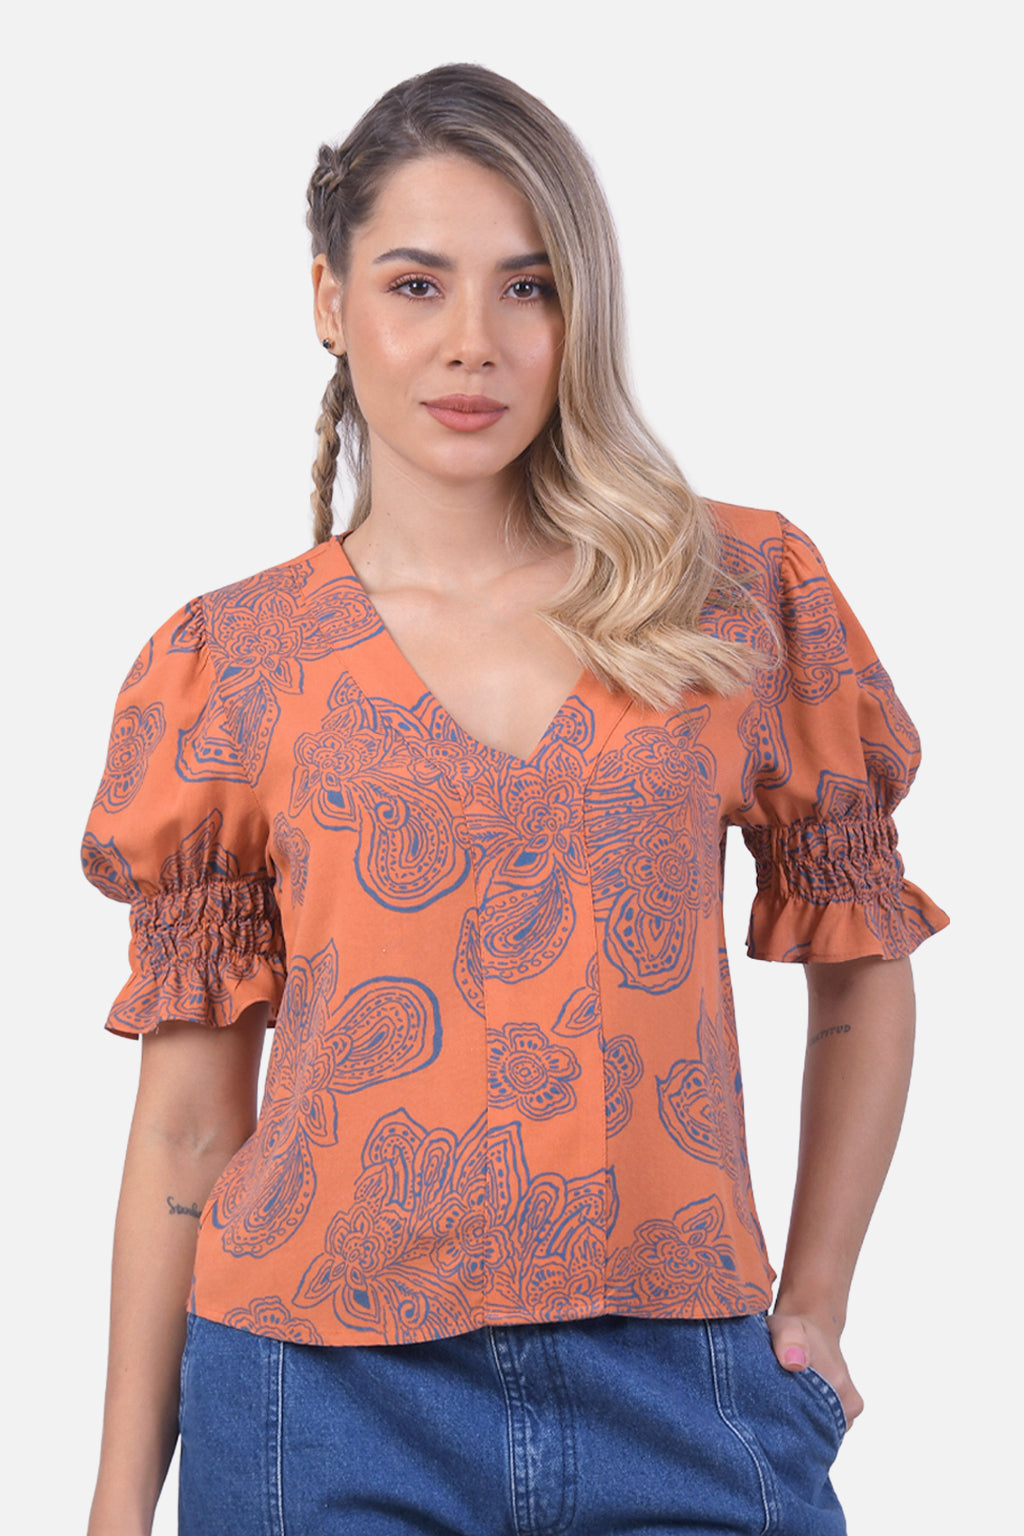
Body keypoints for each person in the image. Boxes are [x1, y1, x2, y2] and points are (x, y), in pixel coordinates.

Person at [83, 63, 947, 1536]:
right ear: (329, 301)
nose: (471, 342)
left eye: (528, 286)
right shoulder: (231, 662)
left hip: (682, 1381)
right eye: (416, 285)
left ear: (579, 311)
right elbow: (185, 1126)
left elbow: (862, 962)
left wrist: (815, 1298)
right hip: (316, 1393)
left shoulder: (735, 592)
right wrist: (119, 1504)